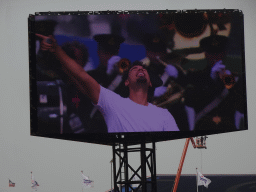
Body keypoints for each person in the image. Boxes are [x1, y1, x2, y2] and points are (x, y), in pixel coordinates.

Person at [35, 33, 180, 132]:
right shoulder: (115, 103)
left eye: (142, 73)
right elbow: (80, 76)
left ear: (149, 84)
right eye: (134, 70)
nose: (139, 72)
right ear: (127, 82)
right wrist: (56, 50)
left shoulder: (163, 115)